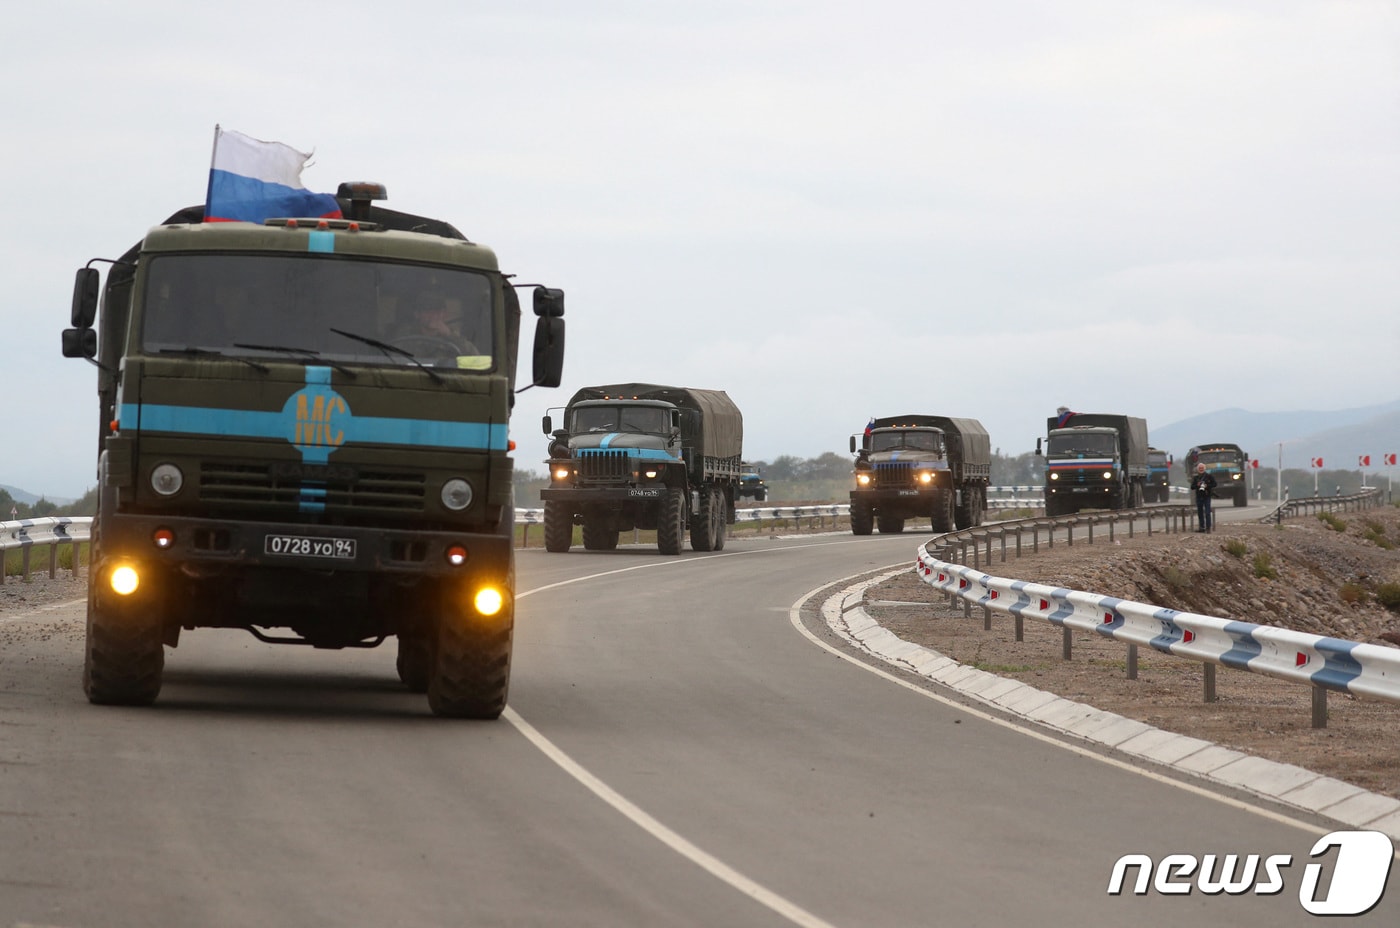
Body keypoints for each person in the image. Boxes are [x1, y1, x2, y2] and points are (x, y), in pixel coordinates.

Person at [1191, 463, 1217, 532]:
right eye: (1200, 468)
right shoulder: (1196, 477)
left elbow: (1214, 484)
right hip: (1199, 496)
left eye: (1202, 468)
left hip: (1207, 496)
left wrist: (1207, 485)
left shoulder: (1209, 476)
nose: (1201, 469)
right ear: (1197, 469)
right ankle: (1201, 527)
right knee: (1200, 513)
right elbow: (1192, 487)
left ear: (1204, 468)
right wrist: (1197, 485)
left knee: (1207, 512)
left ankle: (1208, 528)